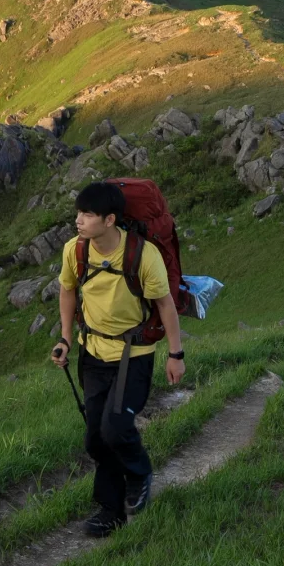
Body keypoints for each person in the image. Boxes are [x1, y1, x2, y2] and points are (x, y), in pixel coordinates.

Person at [52, 180, 186, 537]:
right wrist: (66, 338)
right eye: (78, 213)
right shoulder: (75, 251)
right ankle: (112, 509)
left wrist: (175, 354)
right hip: (92, 353)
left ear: (110, 219)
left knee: (115, 428)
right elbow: (67, 291)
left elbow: (165, 306)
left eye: (87, 214)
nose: (78, 220)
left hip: (134, 356)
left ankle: (138, 475)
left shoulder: (143, 255)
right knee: (95, 438)